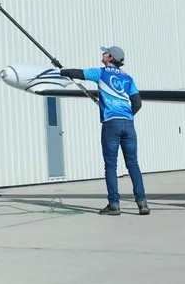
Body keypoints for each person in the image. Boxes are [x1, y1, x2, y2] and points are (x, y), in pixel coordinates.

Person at [59, 46, 150, 216]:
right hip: (129, 124)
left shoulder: (101, 73)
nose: (102, 54)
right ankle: (142, 203)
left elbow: (78, 73)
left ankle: (114, 205)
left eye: (105, 52)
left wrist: (62, 70)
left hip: (111, 124)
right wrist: (126, 114)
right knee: (133, 164)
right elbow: (137, 103)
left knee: (111, 165)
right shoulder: (128, 78)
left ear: (110, 57)